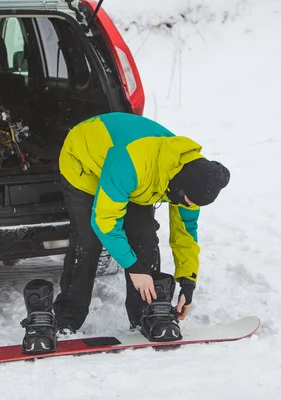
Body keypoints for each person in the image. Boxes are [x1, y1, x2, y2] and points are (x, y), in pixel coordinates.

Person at [20, 112, 230, 354]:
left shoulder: (195, 176)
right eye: (188, 201)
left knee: (145, 235)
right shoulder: (133, 164)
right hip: (84, 160)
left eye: (194, 204)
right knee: (88, 239)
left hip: (139, 176)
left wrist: (188, 282)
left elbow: (185, 233)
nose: (189, 206)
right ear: (179, 184)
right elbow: (106, 222)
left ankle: (145, 312)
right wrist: (134, 268)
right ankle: (68, 315)